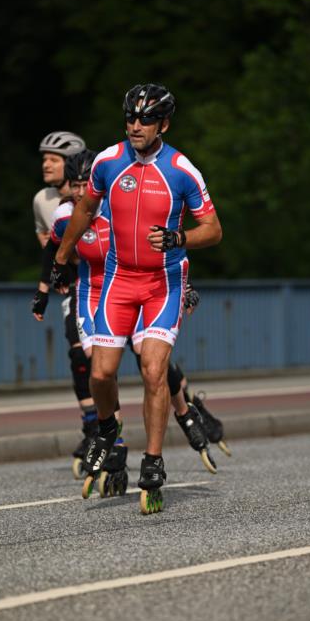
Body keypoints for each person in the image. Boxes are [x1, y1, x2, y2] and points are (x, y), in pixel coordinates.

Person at [52, 83, 222, 513]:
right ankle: (107, 430)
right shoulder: (108, 162)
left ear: (163, 124)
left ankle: (153, 461)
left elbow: (213, 230)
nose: (135, 126)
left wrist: (179, 237)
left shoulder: (183, 169)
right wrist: (62, 254)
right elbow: (86, 210)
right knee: (102, 372)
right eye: (130, 117)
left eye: (145, 119)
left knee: (152, 370)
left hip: (163, 281)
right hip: (119, 279)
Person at [31, 131, 97, 474]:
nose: (46, 163)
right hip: (76, 283)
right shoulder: (43, 200)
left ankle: (189, 407)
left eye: (54, 159)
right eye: (44, 158)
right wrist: (45, 287)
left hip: (113, 278)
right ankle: (94, 429)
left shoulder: (96, 193)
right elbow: (51, 249)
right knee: (79, 356)